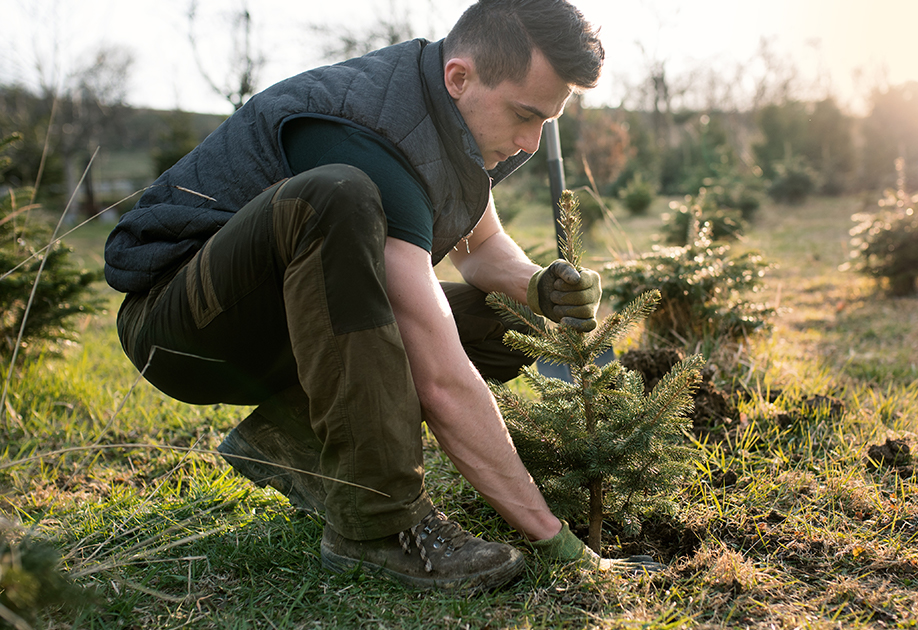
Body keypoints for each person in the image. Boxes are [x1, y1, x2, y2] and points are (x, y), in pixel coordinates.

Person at [103, 0, 627, 590]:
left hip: (284, 316)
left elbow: (481, 248)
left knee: (515, 321)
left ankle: (293, 435)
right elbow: (442, 378)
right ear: (460, 76)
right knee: (338, 195)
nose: (532, 142)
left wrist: (537, 285)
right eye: (525, 115)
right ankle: (379, 525)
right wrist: (551, 536)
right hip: (181, 326)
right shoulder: (372, 133)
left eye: (546, 123)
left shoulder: (449, 114)